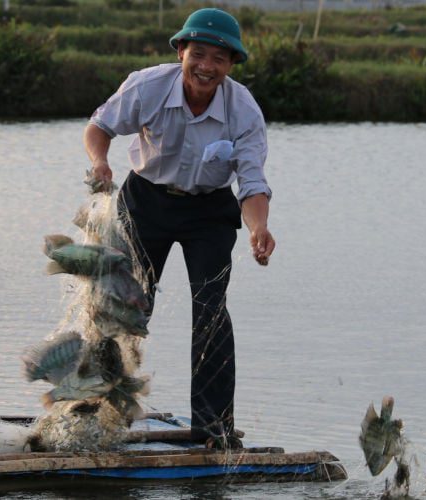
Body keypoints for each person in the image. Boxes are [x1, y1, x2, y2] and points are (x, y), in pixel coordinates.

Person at [82, 8, 275, 449]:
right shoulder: (148, 86)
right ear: (181, 52)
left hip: (209, 211)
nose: (207, 66)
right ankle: (98, 411)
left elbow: (252, 182)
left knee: (211, 312)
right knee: (126, 309)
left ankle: (212, 429)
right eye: (198, 54)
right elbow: (99, 126)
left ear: (230, 66)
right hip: (145, 200)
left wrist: (259, 229)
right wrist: (99, 161)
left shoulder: (243, 110)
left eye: (219, 59)